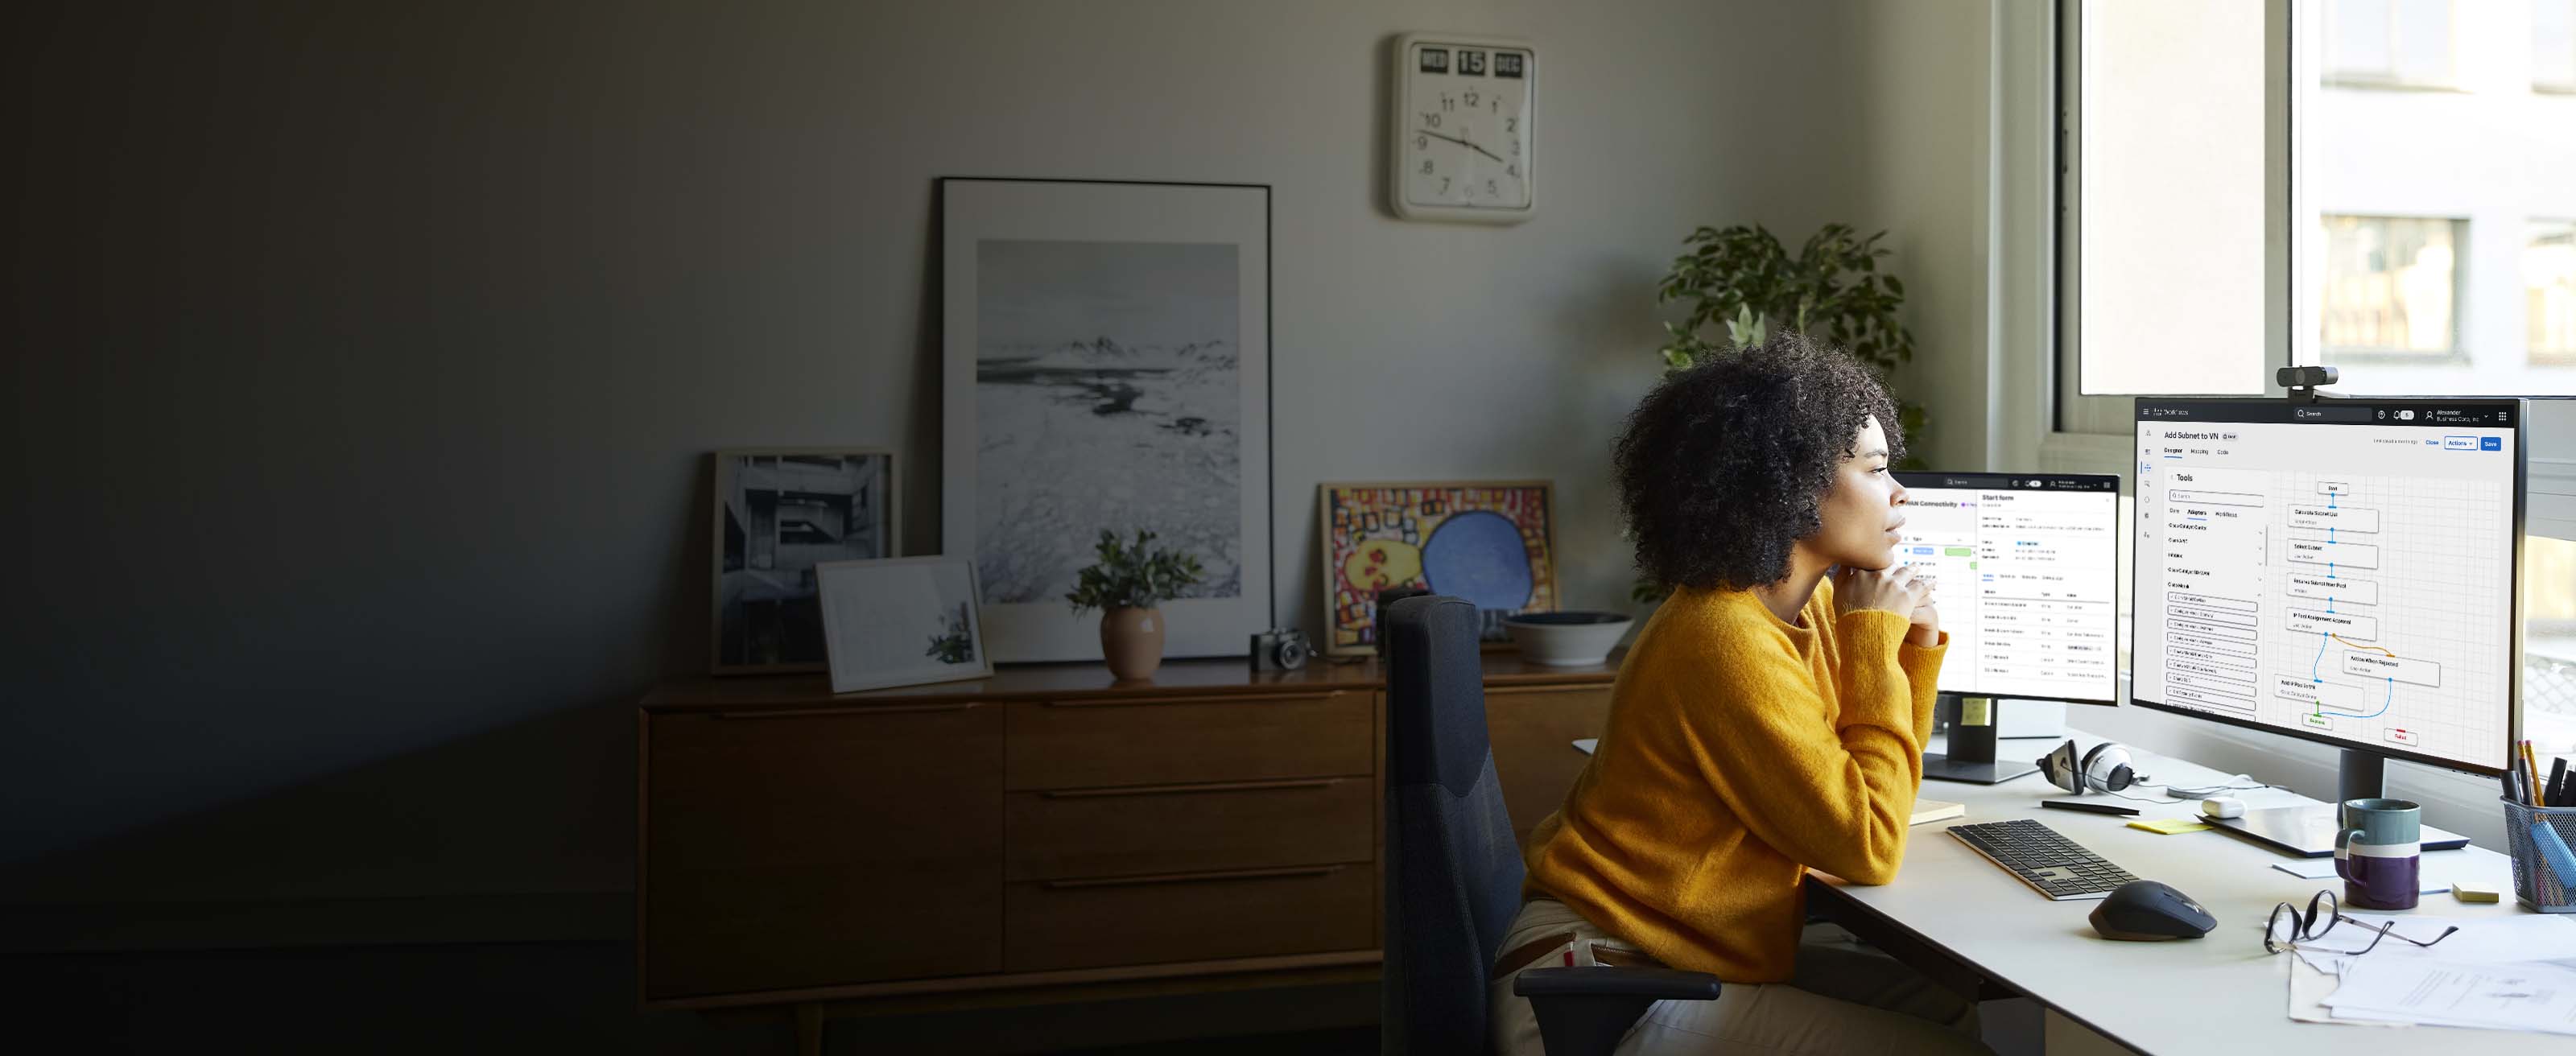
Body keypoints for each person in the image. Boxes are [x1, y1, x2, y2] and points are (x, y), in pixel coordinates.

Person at [1490, 336, 1991, 1055]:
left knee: (1945, 1005)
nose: (1900, 493)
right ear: (1788, 483)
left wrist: (1909, 651)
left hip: (1673, 951)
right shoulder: (1724, 637)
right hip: (1596, 988)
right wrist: (1880, 643)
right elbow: (1868, 845)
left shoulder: (1801, 608)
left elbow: (1878, 790)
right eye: (1878, 469)